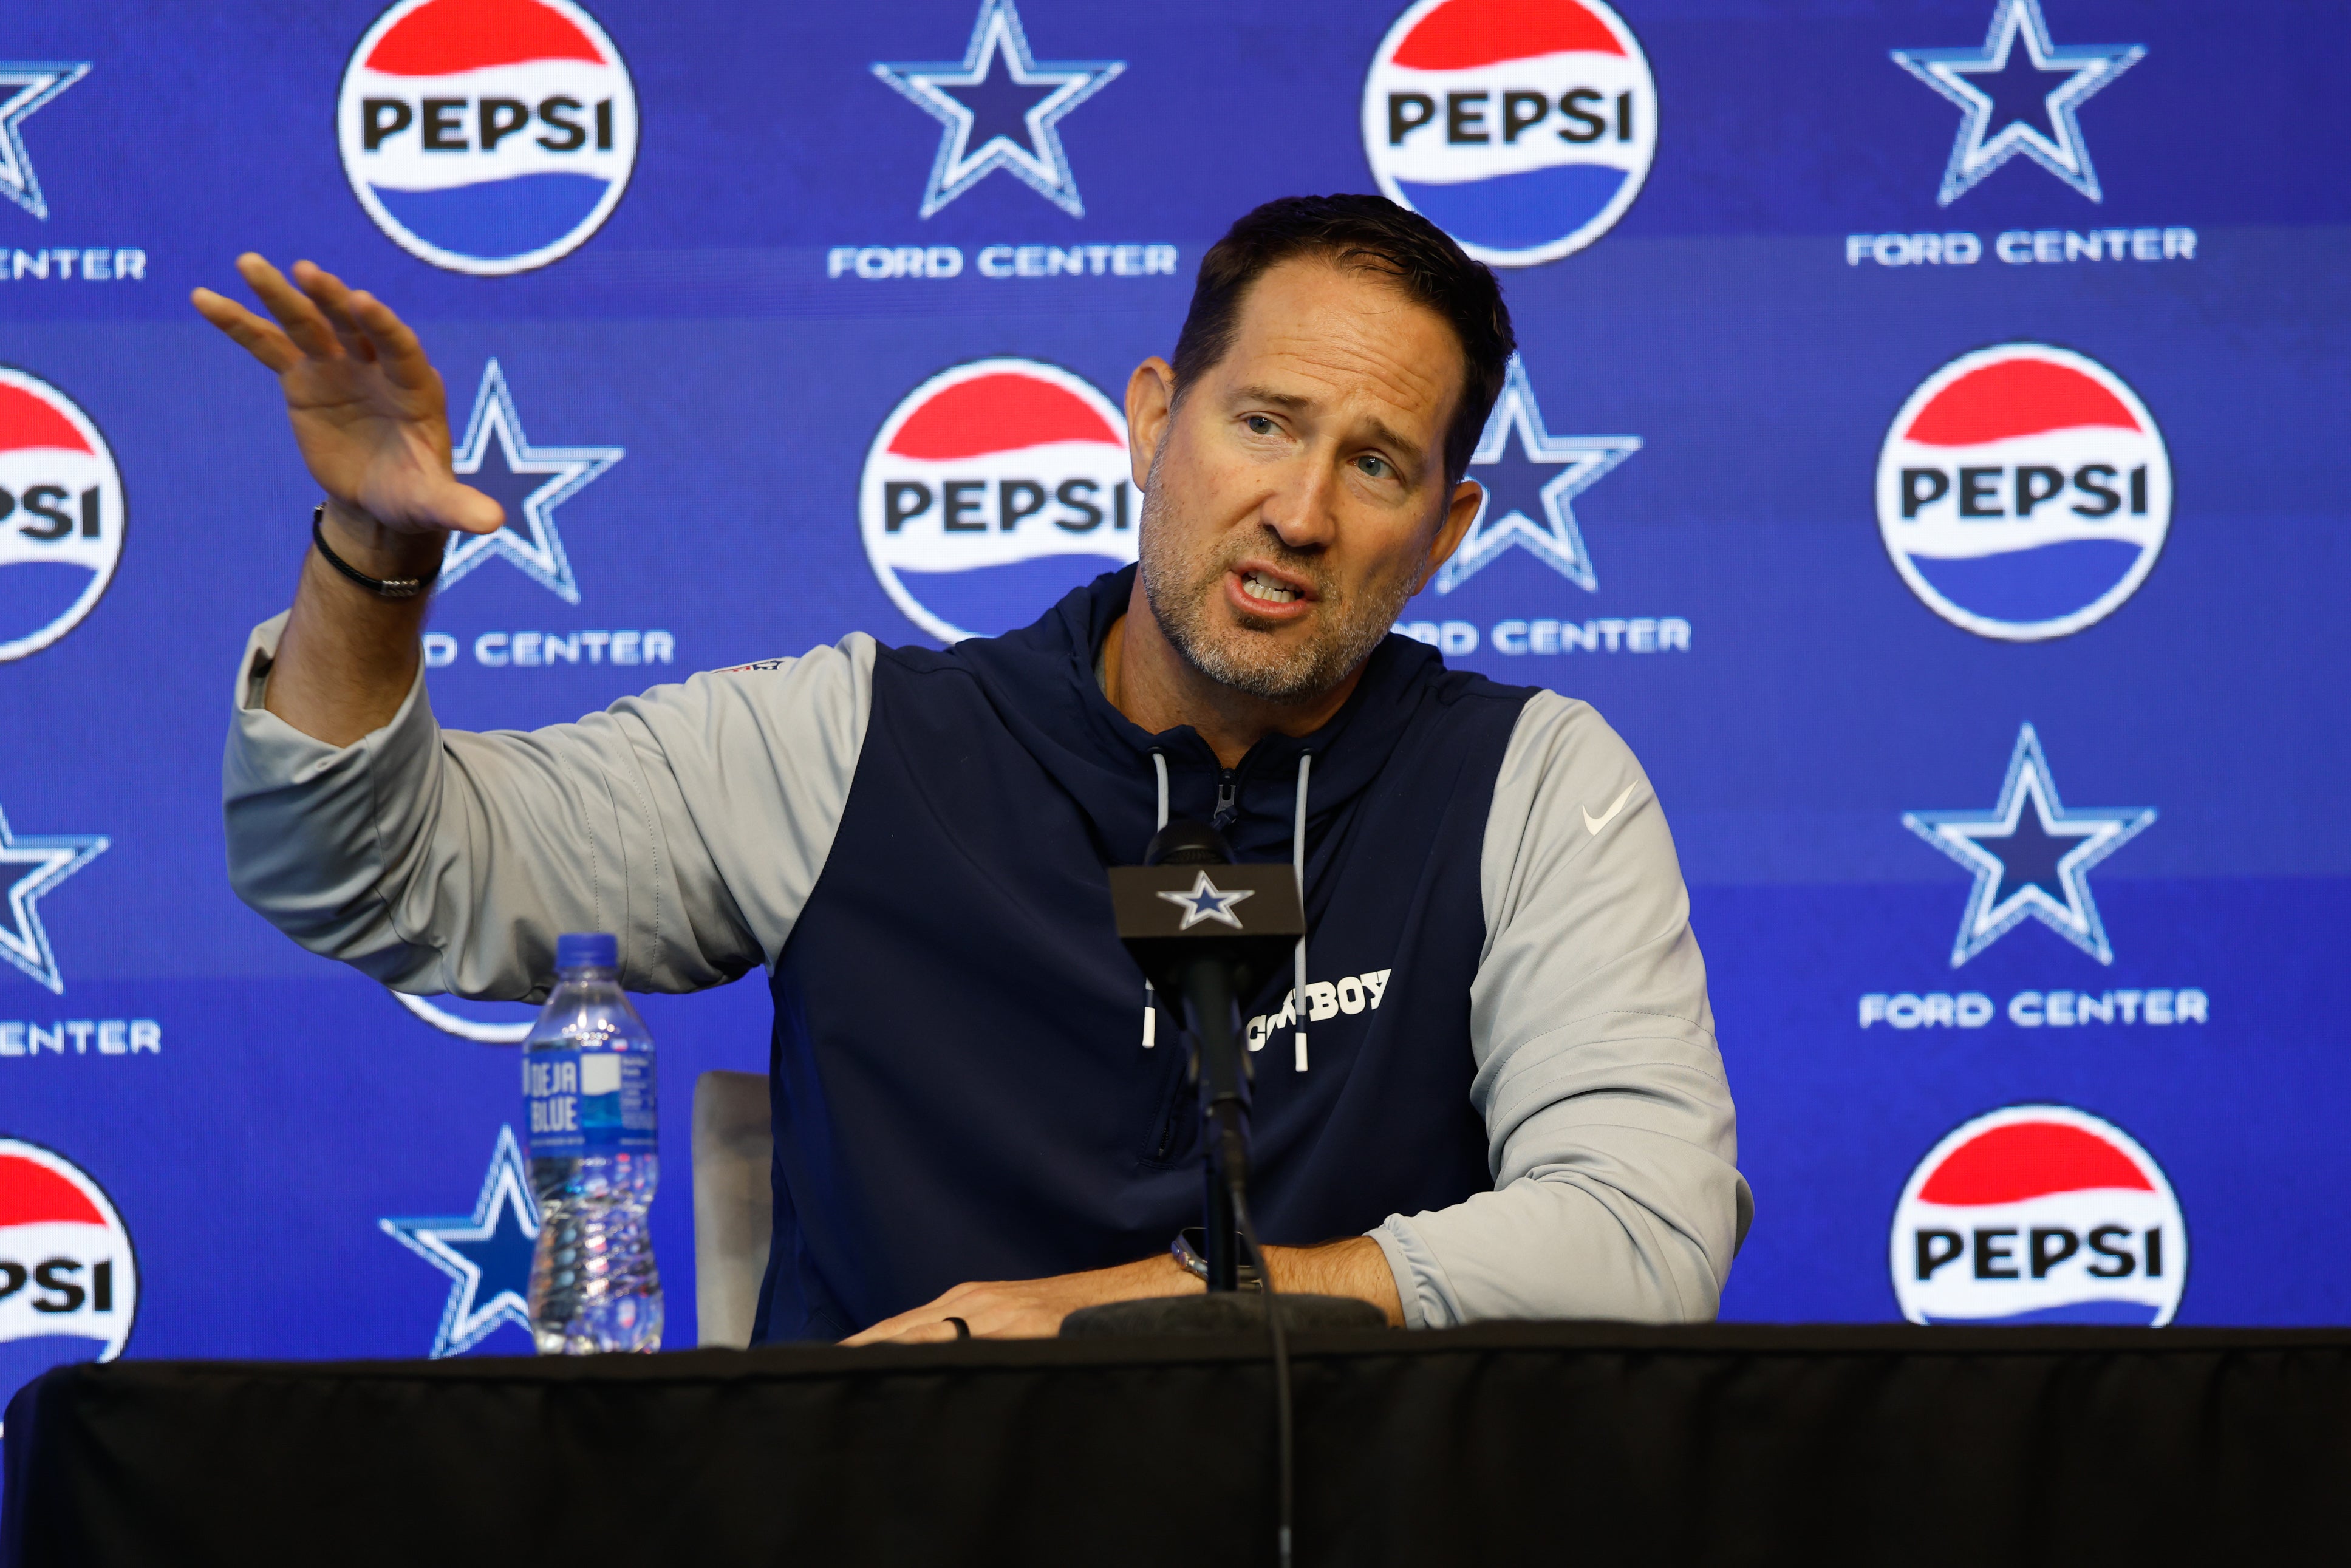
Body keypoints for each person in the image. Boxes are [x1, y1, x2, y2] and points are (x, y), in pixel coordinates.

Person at [202, 194, 1750, 1345]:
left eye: (1375, 462)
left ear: (1447, 533)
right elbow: (366, 871)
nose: (1298, 509)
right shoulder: (851, 743)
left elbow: (1641, 1236)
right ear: (1153, 422)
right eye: (1262, 423)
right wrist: (375, 551)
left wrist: (1111, 1318)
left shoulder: (1535, 783)